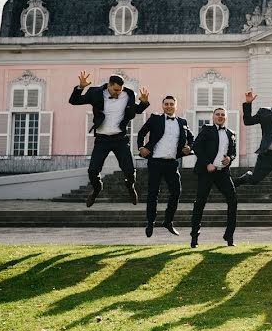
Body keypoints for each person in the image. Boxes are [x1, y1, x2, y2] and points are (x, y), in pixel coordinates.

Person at [68, 71, 149, 207]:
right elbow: (74, 101)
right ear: (109, 85)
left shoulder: (128, 95)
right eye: (115, 90)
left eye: (120, 90)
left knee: (129, 170)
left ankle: (130, 187)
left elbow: (137, 110)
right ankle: (97, 189)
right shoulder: (95, 93)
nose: (118, 93)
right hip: (102, 139)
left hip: (120, 139)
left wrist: (144, 103)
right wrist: (80, 88)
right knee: (93, 171)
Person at [136, 95, 194, 237]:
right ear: (162, 106)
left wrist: (189, 148)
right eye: (166, 104)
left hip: (172, 163)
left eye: (171, 104)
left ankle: (168, 221)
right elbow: (141, 133)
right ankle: (150, 223)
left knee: (176, 192)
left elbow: (191, 138)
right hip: (155, 161)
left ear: (176, 105)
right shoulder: (155, 119)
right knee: (153, 194)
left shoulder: (182, 122)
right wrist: (141, 148)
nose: (169, 106)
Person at [189, 108, 237, 247]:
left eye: (223, 115)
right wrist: (207, 164)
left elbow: (232, 152)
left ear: (226, 117)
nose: (220, 117)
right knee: (200, 203)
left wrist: (230, 158)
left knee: (233, 201)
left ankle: (229, 236)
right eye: (218, 114)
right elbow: (197, 147)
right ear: (213, 116)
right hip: (206, 172)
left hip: (223, 173)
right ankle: (194, 238)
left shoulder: (231, 133)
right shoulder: (207, 129)